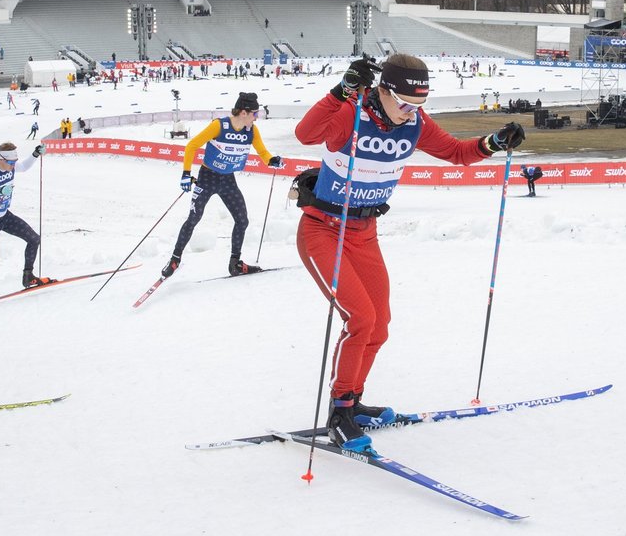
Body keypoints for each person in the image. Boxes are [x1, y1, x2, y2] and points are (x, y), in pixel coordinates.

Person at [293, 54, 524, 450]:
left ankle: (355, 399)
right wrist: (340, 92)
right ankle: (339, 411)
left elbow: (455, 152)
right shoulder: (351, 113)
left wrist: (493, 143)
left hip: (364, 233)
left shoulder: (414, 124)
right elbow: (305, 134)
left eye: (418, 105)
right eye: (402, 103)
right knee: (360, 319)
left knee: (379, 323)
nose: (409, 113)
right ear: (382, 90)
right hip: (323, 230)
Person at [160, 92, 283, 279]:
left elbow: (263, 153)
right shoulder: (219, 126)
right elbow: (191, 146)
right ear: (244, 112)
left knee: (242, 220)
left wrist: (272, 160)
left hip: (228, 180)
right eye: (255, 114)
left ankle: (235, 263)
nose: (256, 118)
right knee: (194, 218)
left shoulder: (251, 131)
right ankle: (175, 259)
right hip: (207, 178)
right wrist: (186, 174)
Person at [0, 142, 52, 312]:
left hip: (5, 216)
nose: (13, 166)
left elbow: (24, 167)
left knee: (34, 239)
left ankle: (28, 276)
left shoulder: (11, 167)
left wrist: (35, 154)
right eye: (10, 163)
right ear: (1, 158)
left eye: (14, 163)